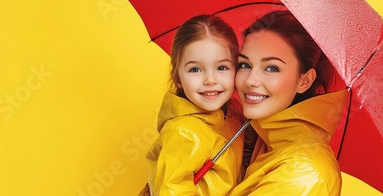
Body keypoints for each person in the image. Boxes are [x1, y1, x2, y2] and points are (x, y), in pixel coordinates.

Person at [229, 10, 345, 195]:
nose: (250, 80)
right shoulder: (260, 139)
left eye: (271, 68)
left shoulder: (303, 175)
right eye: (245, 65)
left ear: (304, 81)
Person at [141, 14, 246, 195]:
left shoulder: (235, 114)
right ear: (178, 78)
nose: (210, 80)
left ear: (237, 70)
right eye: (195, 69)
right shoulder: (183, 132)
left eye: (222, 67)